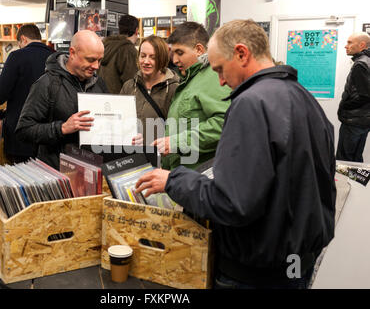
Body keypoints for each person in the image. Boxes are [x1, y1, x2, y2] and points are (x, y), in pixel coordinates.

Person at [135, 19, 336, 289]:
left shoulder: (250, 103)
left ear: (241, 53)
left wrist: (173, 180)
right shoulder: (304, 97)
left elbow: (232, 203)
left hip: (256, 269)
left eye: (220, 69)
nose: (220, 81)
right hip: (296, 262)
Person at [15, 30, 108, 170]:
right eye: (90, 59)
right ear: (72, 53)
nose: (96, 66)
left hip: (91, 171)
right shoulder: (47, 84)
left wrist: (125, 134)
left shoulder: (99, 84)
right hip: (56, 173)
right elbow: (24, 130)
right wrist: (62, 128)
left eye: (99, 60)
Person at [155, 21, 231, 170]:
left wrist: (176, 142)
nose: (175, 60)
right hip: (185, 176)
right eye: (173, 54)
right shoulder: (192, 79)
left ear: (199, 49)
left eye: (180, 52)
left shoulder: (212, 78)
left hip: (200, 176)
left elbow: (224, 123)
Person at [0, 24, 54, 164]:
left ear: (23, 39)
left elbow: (3, 88)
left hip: (21, 128)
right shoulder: (54, 56)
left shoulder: (17, 56)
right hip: (48, 131)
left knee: (20, 174)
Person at [120, 35, 179, 145]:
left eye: (153, 57)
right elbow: (119, 121)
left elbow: (178, 128)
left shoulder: (173, 88)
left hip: (160, 156)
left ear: (162, 59)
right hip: (131, 155)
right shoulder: (129, 86)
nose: (146, 61)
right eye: (143, 56)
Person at [336, 32, 370, 162]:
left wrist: (345, 105)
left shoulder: (360, 64)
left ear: (362, 45)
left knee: (344, 161)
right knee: (355, 160)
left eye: (350, 42)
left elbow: (366, 95)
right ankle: (354, 183)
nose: (346, 46)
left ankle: (345, 183)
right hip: (363, 121)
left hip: (354, 121)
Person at [98, 14, 139, 94]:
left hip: (102, 99)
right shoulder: (128, 50)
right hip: (120, 101)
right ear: (136, 30)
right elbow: (132, 83)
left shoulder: (104, 46)